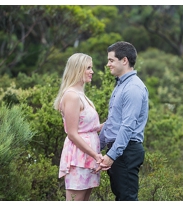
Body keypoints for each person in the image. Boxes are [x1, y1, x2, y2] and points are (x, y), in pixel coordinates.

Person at [97, 41, 148, 201]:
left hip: (126, 152)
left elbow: (127, 127)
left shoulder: (132, 88)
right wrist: (97, 147)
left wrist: (111, 156)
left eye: (111, 60)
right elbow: (113, 122)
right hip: (120, 152)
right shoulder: (121, 85)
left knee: (127, 199)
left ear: (124, 60)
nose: (108, 64)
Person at [54, 53, 104, 201]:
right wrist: (95, 155)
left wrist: (110, 125)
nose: (92, 71)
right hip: (79, 157)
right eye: (88, 68)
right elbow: (72, 134)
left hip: (89, 158)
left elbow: (88, 128)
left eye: (91, 68)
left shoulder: (81, 95)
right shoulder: (72, 95)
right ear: (77, 70)